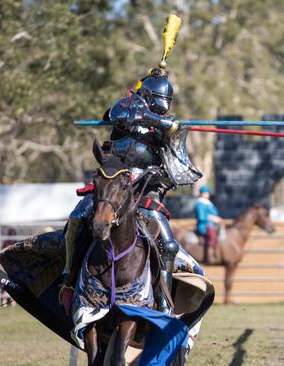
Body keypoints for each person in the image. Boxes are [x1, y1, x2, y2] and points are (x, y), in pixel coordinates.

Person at [60, 66, 203, 315]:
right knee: (77, 219)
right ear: (147, 95)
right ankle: (69, 280)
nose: (162, 109)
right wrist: (162, 122)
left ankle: (163, 303)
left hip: (143, 190)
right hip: (113, 183)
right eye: (158, 103)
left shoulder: (163, 131)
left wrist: (162, 159)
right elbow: (119, 113)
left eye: (165, 106)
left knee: (168, 245)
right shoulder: (126, 108)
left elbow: (172, 165)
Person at [194, 185, 222, 263]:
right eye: (204, 193)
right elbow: (201, 216)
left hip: (212, 224)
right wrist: (213, 218)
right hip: (204, 225)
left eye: (207, 193)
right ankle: (209, 255)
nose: (206, 194)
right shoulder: (200, 204)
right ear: (201, 194)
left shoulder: (208, 203)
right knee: (212, 234)